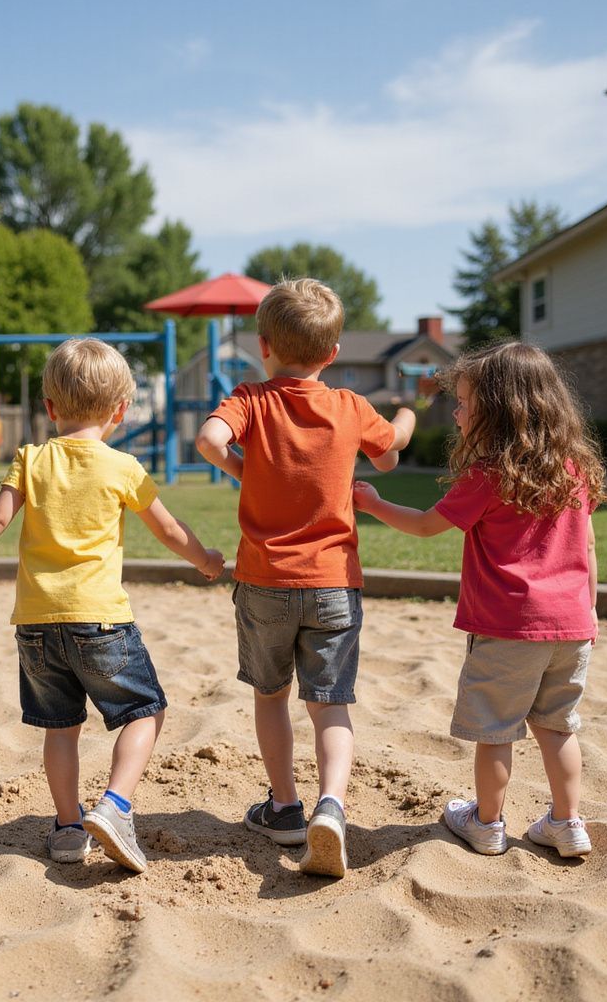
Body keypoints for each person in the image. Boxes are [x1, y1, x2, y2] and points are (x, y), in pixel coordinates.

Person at [0, 338, 224, 874]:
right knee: (146, 711)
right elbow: (166, 528)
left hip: (36, 623)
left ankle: (69, 827)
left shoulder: (31, 458)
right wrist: (206, 559)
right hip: (102, 621)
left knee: (61, 728)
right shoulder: (123, 467)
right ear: (121, 411)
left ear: (50, 408)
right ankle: (116, 805)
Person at [353, 340, 607, 858]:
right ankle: (567, 821)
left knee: (495, 731)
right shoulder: (573, 469)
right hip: (573, 625)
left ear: (498, 411)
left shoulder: (490, 474)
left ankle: (487, 823)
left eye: (466, 403)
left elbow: (426, 526)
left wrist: (373, 503)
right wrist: (591, 608)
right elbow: (588, 544)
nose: (456, 411)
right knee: (558, 728)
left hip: (508, 627)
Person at [195, 278, 415, 878]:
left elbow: (208, 439)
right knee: (332, 705)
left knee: (271, 696)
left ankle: (286, 807)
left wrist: (244, 470)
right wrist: (406, 414)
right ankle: (333, 807)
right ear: (334, 352)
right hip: (334, 584)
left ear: (264, 345)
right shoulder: (349, 406)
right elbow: (391, 451)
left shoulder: (251, 398)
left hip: (265, 580)